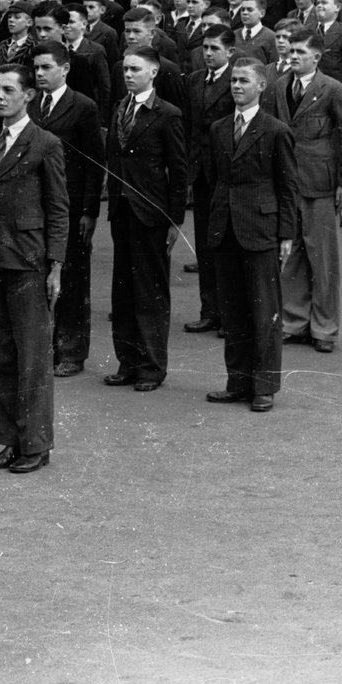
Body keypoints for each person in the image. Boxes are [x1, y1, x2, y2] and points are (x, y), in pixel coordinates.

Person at [0, 63, 67, 471]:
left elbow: (58, 209)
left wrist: (56, 265)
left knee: (31, 358)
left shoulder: (44, 142)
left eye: (9, 90)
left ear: (28, 96)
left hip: (27, 260)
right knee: (2, 355)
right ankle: (11, 439)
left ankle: (36, 444)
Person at [205, 59, 299, 412]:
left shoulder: (275, 130)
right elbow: (216, 177)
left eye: (244, 80)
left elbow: (288, 185)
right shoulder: (218, 128)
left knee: (264, 311)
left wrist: (286, 233)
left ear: (261, 86)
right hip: (225, 227)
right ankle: (237, 381)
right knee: (232, 310)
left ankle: (264, 386)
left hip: (260, 230)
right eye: (233, 80)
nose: (236, 86)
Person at [102, 45, 188, 389]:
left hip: (151, 213)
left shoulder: (167, 114)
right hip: (122, 210)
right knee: (122, 291)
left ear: (153, 72)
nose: (128, 75)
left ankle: (152, 366)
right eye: (125, 69)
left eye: (135, 69)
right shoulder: (120, 108)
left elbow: (179, 172)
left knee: (150, 291)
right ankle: (127, 362)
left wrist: (175, 220)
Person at [270, 31, 342, 351]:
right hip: (288, 183)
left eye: (300, 52)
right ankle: (294, 322)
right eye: (291, 50)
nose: (292, 56)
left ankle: (324, 329)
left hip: (320, 184)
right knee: (291, 255)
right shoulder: (281, 86)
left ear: (316, 57)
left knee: (322, 259)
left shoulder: (333, 89)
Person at [26, 40, 104, 379]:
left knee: (71, 280)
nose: (40, 74)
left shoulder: (82, 106)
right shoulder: (28, 104)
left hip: (70, 206)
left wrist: (89, 211)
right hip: (33, 203)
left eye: (46, 68)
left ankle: (71, 350)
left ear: (65, 68)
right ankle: (42, 348)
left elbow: (94, 162)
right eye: (36, 68)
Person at [180, 26, 237, 333]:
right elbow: (190, 127)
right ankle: (209, 309)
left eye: (215, 48)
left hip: (227, 173)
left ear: (230, 51)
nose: (209, 53)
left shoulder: (236, 81)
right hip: (201, 172)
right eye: (205, 48)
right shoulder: (195, 80)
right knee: (204, 243)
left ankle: (230, 314)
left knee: (226, 244)